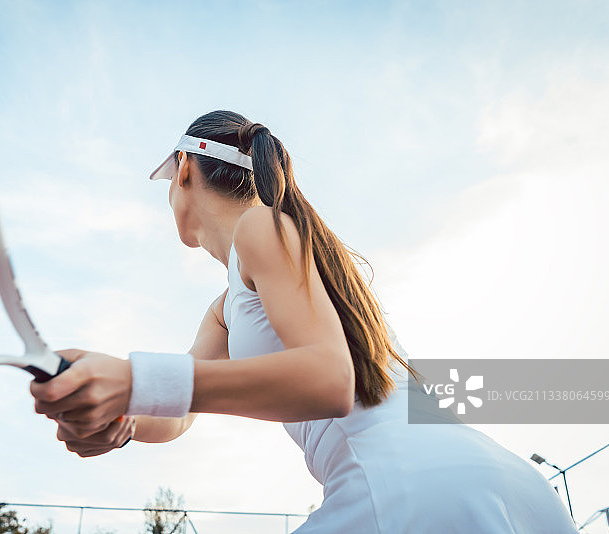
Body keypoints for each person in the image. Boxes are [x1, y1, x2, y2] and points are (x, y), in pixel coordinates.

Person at [30, 110, 577, 533]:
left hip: (406, 485)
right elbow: (179, 413)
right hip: (512, 487)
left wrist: (132, 379)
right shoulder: (236, 299)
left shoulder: (258, 229)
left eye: (164, 179)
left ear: (185, 168)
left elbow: (328, 381)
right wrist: (118, 420)